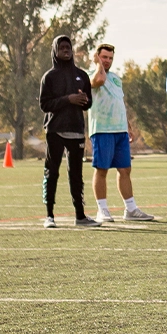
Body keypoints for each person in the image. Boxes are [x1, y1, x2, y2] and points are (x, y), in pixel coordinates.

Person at [88, 43, 154, 223]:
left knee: (125, 169)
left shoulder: (116, 78)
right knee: (102, 169)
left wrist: (128, 125)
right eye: (104, 57)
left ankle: (131, 209)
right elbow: (99, 81)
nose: (107, 61)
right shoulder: (90, 75)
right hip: (102, 129)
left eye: (110, 58)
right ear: (96, 57)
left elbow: (119, 101)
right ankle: (102, 209)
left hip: (120, 130)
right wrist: (97, 65)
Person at [38, 35, 97, 228]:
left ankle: (80, 216)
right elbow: (44, 104)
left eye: (68, 47)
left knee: (76, 175)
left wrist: (83, 100)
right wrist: (68, 99)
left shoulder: (81, 75)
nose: (66, 50)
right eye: (62, 47)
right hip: (55, 130)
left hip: (76, 131)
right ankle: (49, 216)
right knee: (52, 172)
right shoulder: (49, 77)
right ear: (55, 51)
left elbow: (88, 103)